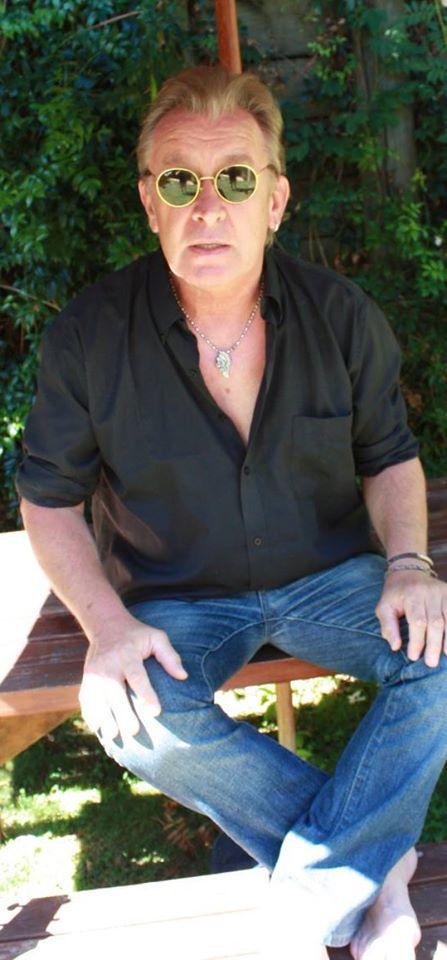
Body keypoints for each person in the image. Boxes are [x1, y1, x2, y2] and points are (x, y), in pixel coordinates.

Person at [16, 65, 447, 959]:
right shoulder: (89, 336)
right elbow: (48, 501)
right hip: (176, 596)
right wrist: (107, 627)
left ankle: (307, 903)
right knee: (133, 714)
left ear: (275, 200)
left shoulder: (341, 315)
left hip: (329, 576)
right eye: (181, 181)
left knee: (442, 655)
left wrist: (409, 566)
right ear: (150, 202)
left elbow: (390, 458)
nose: (207, 207)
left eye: (235, 179)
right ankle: (376, 871)